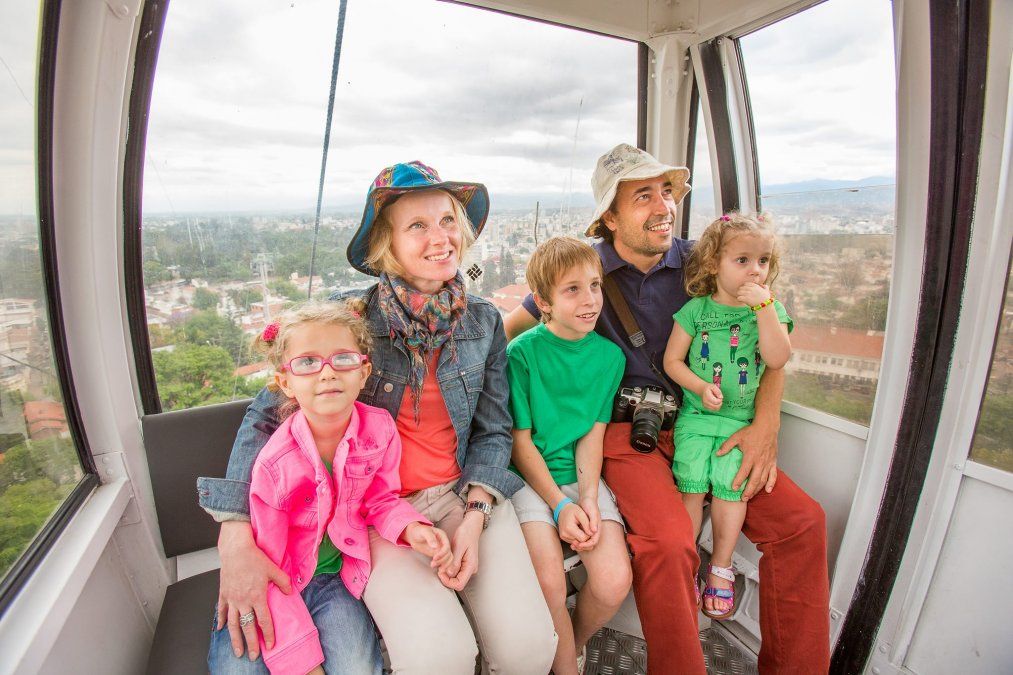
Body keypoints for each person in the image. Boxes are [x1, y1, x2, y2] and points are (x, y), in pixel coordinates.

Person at [199, 161, 556, 674]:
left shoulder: (482, 323)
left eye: (449, 221)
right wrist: (235, 533)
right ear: (387, 244)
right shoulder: (351, 321)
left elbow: (493, 429)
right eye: (418, 226)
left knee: (529, 652)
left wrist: (475, 518)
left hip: (464, 495)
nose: (441, 238)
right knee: (440, 659)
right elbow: (266, 413)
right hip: (377, 510)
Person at [504, 143, 830, 673]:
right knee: (668, 544)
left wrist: (766, 423)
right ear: (609, 216)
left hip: (717, 420)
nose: (663, 207)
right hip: (630, 434)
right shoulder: (588, 272)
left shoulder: (710, 259)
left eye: (668, 192)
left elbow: (768, 340)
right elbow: (509, 337)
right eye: (643, 197)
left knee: (802, 523)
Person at [208, 300, 453, 674]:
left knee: (356, 665)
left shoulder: (380, 430)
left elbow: (380, 498)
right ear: (284, 383)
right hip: (275, 578)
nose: (327, 374)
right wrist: (302, 663)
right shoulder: (274, 465)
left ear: (364, 371)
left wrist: (410, 527)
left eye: (342, 359)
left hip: (332, 575)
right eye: (307, 362)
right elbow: (268, 559)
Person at [507, 237, 632, 675]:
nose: (590, 300)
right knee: (549, 583)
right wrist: (560, 505)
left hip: (579, 476)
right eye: (572, 289)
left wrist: (590, 501)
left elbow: (591, 436)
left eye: (594, 286)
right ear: (543, 301)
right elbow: (520, 444)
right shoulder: (521, 353)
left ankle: (571, 645)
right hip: (528, 477)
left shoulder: (610, 357)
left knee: (615, 580)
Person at [662, 213, 792, 620]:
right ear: (713, 263)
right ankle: (686, 564)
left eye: (764, 261)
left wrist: (766, 309)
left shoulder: (770, 310)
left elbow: (777, 358)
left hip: (741, 423)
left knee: (731, 486)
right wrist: (700, 388)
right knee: (692, 484)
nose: (755, 270)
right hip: (697, 418)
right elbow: (672, 360)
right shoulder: (695, 311)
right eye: (742, 260)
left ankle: (720, 566)